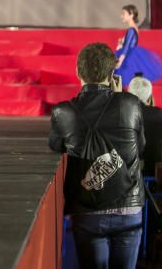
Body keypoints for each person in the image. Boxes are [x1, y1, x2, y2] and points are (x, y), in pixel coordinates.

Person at [48, 42, 145, 268]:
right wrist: (119, 98)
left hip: (88, 211)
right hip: (129, 207)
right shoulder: (130, 104)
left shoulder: (63, 111)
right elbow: (139, 148)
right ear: (113, 73)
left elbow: (55, 145)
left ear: (78, 72)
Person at [115, 4, 162, 87]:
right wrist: (121, 44)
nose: (121, 16)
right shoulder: (134, 28)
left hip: (129, 56)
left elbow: (127, 47)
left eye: (123, 13)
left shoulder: (131, 29)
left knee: (124, 79)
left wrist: (120, 60)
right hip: (130, 55)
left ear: (131, 15)